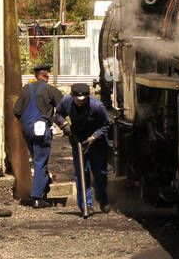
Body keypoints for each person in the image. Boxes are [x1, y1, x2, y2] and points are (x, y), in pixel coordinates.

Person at [56, 82, 113, 215]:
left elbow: (107, 124)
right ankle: (85, 205)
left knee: (100, 173)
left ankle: (102, 198)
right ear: (73, 97)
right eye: (78, 100)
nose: (81, 102)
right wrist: (65, 125)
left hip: (97, 143)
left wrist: (93, 138)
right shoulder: (66, 102)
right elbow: (58, 115)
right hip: (78, 140)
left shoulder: (96, 106)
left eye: (84, 100)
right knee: (81, 174)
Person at [13, 62, 63, 208]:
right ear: (47, 75)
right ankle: (37, 198)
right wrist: (64, 126)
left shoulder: (25, 90)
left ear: (35, 76)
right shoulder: (51, 90)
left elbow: (17, 111)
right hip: (41, 129)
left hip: (27, 129)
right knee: (41, 161)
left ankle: (44, 185)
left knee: (37, 159)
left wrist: (27, 122)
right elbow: (63, 109)